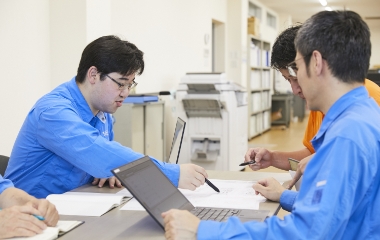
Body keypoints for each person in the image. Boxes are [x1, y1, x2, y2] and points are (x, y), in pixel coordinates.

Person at [162, 10, 380, 239]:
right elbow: (338, 206)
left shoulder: (347, 137)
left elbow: (303, 234)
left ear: (315, 62)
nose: (296, 87)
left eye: (296, 68)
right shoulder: (365, 114)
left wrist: (200, 230)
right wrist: (284, 196)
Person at [4, 35, 208, 198]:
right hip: (30, 218)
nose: (126, 92)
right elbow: (99, 152)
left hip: (74, 205)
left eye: (130, 84)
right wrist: (173, 174)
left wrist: (108, 172)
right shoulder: (53, 112)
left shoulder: (103, 110)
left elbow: (104, 159)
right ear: (93, 75)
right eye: (120, 83)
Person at [245, 23, 380, 188]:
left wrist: (287, 197)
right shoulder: (320, 101)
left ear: (317, 65)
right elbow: (312, 154)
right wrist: (272, 158)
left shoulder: (367, 103)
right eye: (289, 80)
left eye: (295, 78)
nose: (294, 90)